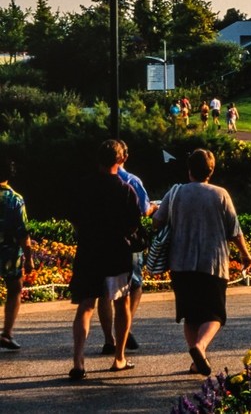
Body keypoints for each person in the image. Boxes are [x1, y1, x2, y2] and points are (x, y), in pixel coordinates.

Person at [153, 149, 251, 377]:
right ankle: (200, 347)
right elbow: (234, 230)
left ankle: (197, 361)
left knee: (190, 315)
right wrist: (245, 254)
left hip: (181, 263)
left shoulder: (175, 193)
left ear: (189, 170)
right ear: (211, 170)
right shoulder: (221, 194)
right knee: (215, 315)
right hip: (213, 263)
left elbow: (157, 222)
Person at [68, 140, 142, 379]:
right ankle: (119, 357)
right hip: (116, 254)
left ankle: (78, 360)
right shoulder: (125, 190)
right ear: (120, 160)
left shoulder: (81, 187)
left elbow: (74, 218)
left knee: (86, 306)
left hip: (89, 252)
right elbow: (133, 224)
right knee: (122, 304)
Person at [97, 140, 156, 356]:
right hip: (127, 243)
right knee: (133, 287)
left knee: (103, 292)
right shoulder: (131, 181)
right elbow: (142, 210)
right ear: (124, 157)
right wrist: (153, 209)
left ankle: (108, 338)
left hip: (100, 242)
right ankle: (125, 329)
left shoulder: (94, 181)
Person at [1, 157, 33, 351]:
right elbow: (23, 231)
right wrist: (29, 258)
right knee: (14, 289)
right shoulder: (15, 199)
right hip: (9, 253)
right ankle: (7, 333)